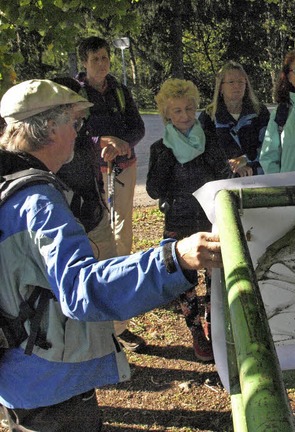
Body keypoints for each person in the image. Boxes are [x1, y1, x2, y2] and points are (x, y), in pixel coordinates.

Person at [0, 79, 223, 431]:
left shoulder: (8, 184)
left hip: (21, 376)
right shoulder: (39, 202)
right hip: (51, 381)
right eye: (73, 124)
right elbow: (81, 290)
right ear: (49, 128)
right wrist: (173, 258)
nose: (78, 134)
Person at [146, 79, 231, 362]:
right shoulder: (161, 148)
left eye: (189, 109)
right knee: (184, 283)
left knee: (215, 277)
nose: (184, 116)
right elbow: (154, 190)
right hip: (178, 221)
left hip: (209, 219)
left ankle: (214, 324)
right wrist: (167, 161)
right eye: (177, 111)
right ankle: (196, 332)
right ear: (167, 115)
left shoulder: (209, 140)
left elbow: (224, 177)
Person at [78, 36, 147, 351]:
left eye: (105, 58)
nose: (102, 64)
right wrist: (99, 143)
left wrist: (121, 143)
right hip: (89, 177)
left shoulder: (120, 91)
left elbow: (137, 127)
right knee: (96, 242)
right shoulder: (75, 94)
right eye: (95, 59)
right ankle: (96, 322)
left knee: (123, 240)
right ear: (84, 62)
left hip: (123, 171)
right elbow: (75, 132)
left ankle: (119, 325)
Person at [199, 61, 270, 176]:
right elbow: (205, 152)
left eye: (240, 82)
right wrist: (229, 165)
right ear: (221, 87)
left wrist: (247, 160)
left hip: (258, 178)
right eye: (231, 82)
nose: (236, 86)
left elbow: (269, 146)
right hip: (223, 181)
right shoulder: (209, 117)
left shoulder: (260, 112)